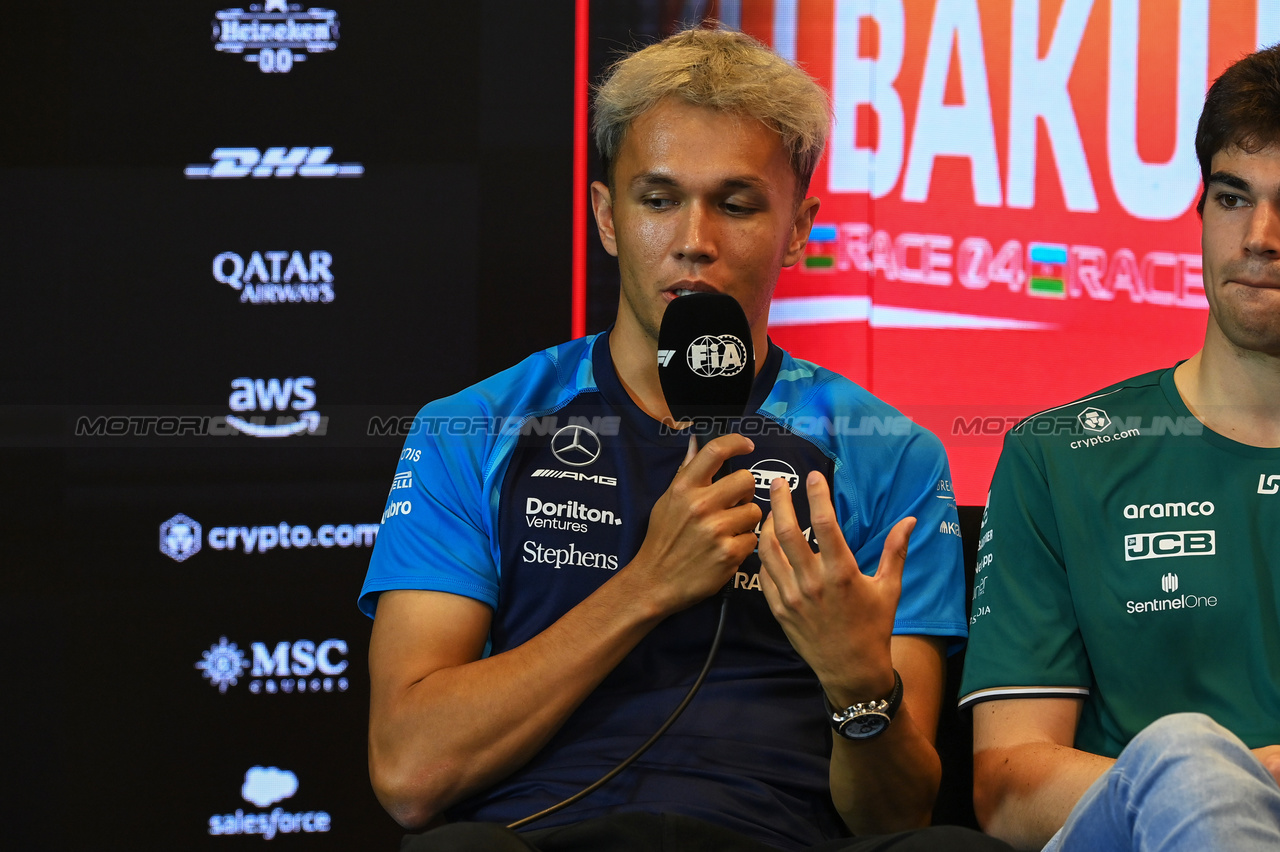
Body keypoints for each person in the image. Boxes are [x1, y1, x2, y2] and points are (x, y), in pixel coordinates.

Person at [361, 27, 1007, 852]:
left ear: (799, 227)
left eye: (736, 204)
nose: (694, 238)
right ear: (606, 216)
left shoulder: (889, 453)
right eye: (658, 199)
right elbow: (409, 774)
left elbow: (896, 814)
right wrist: (648, 586)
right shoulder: (474, 427)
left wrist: (858, 683)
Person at [958, 42, 1280, 852]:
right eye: (1233, 197)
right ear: (1200, 210)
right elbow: (1004, 786)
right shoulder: (1058, 456)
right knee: (1180, 753)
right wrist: (1204, 790)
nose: (1261, 236)